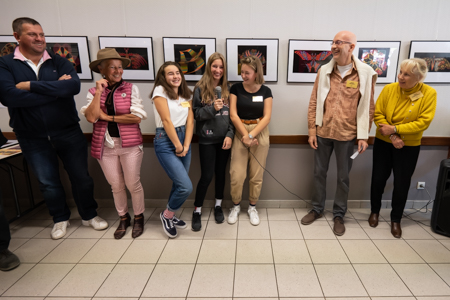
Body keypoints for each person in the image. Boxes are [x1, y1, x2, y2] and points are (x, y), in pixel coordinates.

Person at [0, 17, 108, 240]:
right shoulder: (5, 64)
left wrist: (30, 86)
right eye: (32, 34)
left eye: (41, 34)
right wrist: (55, 91)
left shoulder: (58, 61)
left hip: (67, 130)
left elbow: (73, 87)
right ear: (17, 37)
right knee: (47, 182)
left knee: (82, 177)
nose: (39, 39)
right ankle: (60, 218)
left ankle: (89, 215)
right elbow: (8, 96)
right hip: (31, 135)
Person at [303, 31, 377, 236]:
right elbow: (314, 102)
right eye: (333, 42)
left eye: (338, 43)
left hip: (347, 135)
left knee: (343, 177)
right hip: (323, 131)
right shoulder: (324, 70)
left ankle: (339, 214)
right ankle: (317, 209)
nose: (334, 46)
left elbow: (369, 107)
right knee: (319, 173)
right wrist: (311, 130)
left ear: (351, 47)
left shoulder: (365, 73)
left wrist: (364, 135)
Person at [81, 49, 147, 239]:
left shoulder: (130, 88)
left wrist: (108, 117)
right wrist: (99, 93)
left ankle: (139, 217)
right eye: (113, 67)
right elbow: (92, 117)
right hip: (105, 146)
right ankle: (123, 218)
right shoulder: (93, 92)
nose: (118, 71)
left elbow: (136, 117)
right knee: (116, 185)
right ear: (102, 69)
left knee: (133, 183)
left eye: (120, 67)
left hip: (130, 145)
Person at [369, 58, 437, 238]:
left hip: (409, 145)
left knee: (402, 183)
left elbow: (423, 122)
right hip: (384, 141)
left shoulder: (429, 93)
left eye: (407, 74)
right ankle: (374, 211)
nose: (401, 77)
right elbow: (378, 114)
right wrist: (392, 135)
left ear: (419, 77)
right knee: (378, 178)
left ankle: (396, 219)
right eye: (400, 72)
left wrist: (397, 129)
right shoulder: (389, 89)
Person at [228, 55, 273, 226]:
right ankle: (236, 206)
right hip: (240, 131)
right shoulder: (236, 89)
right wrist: (245, 136)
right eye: (242, 72)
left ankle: (252, 207)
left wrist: (252, 135)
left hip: (259, 131)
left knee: (256, 175)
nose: (243, 76)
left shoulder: (266, 91)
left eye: (247, 73)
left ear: (256, 72)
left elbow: (267, 117)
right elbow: (233, 114)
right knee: (237, 174)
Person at [150, 61, 193, 238]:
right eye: (170, 73)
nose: (176, 76)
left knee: (178, 183)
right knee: (185, 186)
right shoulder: (159, 91)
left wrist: (187, 145)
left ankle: (171, 214)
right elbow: (166, 121)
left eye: (178, 73)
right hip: (166, 141)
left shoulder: (185, 95)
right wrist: (178, 145)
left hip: (184, 139)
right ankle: (167, 215)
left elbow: (190, 121)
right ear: (163, 77)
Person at [192, 53, 234, 231]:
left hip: (224, 139)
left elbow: (233, 116)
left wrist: (230, 135)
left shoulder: (229, 89)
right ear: (209, 67)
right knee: (207, 176)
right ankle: (197, 210)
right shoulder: (199, 88)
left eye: (221, 67)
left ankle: (218, 205)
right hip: (207, 139)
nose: (218, 70)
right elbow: (195, 114)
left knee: (221, 174)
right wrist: (211, 108)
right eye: (215, 66)